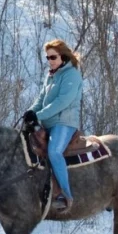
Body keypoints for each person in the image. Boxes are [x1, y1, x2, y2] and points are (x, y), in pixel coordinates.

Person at [25, 39, 84, 213]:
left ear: (63, 56)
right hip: (47, 122)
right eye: (47, 57)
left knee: (54, 151)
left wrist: (38, 115)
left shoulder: (72, 75)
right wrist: (30, 113)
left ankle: (65, 195)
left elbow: (62, 102)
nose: (50, 60)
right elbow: (41, 100)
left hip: (64, 122)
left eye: (53, 57)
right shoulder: (51, 75)